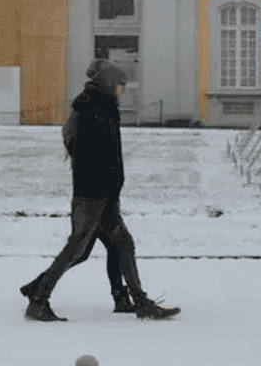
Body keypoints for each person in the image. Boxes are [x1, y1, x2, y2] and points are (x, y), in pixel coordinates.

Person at [19, 59, 180, 321]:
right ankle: (38, 298)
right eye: (120, 85)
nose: (122, 90)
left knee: (120, 244)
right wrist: (105, 186)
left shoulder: (101, 107)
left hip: (103, 194)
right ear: (108, 83)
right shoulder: (93, 110)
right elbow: (91, 155)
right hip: (93, 194)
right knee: (78, 249)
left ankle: (136, 301)